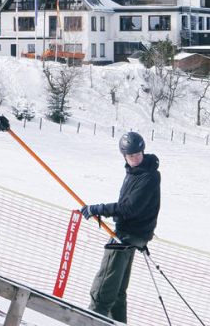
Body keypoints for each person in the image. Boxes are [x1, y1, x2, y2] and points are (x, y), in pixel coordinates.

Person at [80, 131, 161, 323]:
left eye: (138, 154)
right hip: (131, 235)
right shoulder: (135, 173)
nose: (135, 158)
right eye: (131, 156)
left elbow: (129, 208)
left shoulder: (148, 176)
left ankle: (93, 321)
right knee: (116, 294)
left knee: (102, 291)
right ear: (124, 156)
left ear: (143, 151)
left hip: (126, 237)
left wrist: (97, 209)